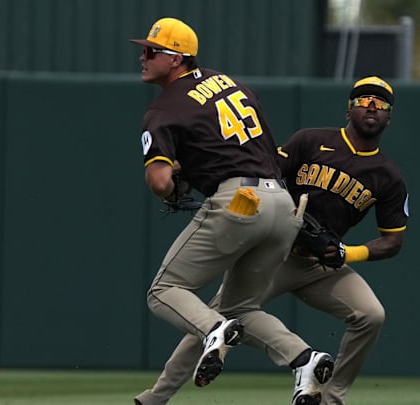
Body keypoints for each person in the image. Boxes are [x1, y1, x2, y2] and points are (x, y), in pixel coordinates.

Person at [134, 76, 409, 405]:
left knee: (371, 315)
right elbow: (266, 172)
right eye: (363, 101)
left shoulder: (388, 176)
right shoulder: (311, 141)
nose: (371, 108)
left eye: (380, 104)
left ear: (389, 117)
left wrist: (347, 252)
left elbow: (392, 242)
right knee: (216, 318)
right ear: (349, 109)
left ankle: (331, 397)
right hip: (276, 252)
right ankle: (156, 397)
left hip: (322, 264)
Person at [130, 17, 335, 404]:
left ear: (176, 59)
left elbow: (159, 182)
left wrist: (172, 183)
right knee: (241, 307)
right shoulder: (230, 83)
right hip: (283, 204)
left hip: (240, 202)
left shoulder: (163, 109)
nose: (142, 56)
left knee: (164, 290)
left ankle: (214, 330)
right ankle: (304, 359)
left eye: (151, 50)